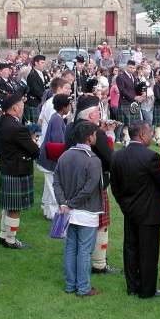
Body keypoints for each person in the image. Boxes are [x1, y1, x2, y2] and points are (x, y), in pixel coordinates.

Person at [112, 120, 160, 299]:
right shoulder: (150, 157)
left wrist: (124, 206)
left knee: (131, 249)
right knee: (148, 252)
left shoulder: (117, 156)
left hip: (129, 211)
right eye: (151, 132)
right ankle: (147, 290)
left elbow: (115, 186)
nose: (153, 134)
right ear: (142, 134)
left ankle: (132, 286)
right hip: (149, 213)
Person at [64, 96, 120, 275]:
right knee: (100, 224)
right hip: (95, 184)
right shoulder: (97, 132)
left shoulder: (70, 128)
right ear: (90, 116)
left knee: (75, 225)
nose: (99, 115)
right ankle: (99, 264)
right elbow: (110, 161)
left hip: (71, 184)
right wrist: (109, 133)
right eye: (97, 112)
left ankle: (79, 266)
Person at [53, 122, 105, 298]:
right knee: (84, 250)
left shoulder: (65, 156)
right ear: (90, 137)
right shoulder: (93, 160)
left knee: (70, 248)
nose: (96, 137)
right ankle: (83, 288)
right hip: (85, 212)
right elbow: (89, 189)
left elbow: (57, 182)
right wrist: (70, 203)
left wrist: (63, 203)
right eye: (95, 134)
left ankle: (70, 285)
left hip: (68, 211)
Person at [0, 92, 40, 250]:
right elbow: (34, 151)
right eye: (21, 105)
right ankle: (11, 239)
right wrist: (33, 138)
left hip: (8, 166)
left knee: (8, 206)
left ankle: (3, 235)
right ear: (14, 108)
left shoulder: (3, 121)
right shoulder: (17, 128)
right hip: (17, 169)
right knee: (15, 207)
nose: (23, 108)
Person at [39, 95, 71, 220]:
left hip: (46, 158)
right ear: (63, 107)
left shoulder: (56, 117)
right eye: (68, 105)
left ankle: (47, 211)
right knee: (53, 187)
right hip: (50, 159)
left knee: (48, 186)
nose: (70, 107)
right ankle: (53, 214)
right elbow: (58, 141)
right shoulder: (57, 120)